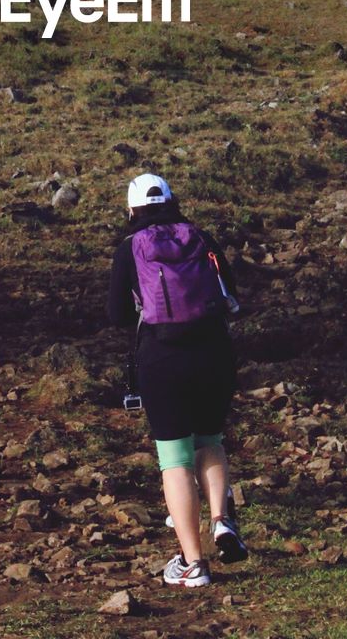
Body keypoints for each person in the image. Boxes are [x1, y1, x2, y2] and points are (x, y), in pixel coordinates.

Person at [108, 173, 248, 587]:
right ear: (172, 201)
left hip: (162, 358)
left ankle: (193, 563)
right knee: (211, 441)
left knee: (174, 460)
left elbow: (116, 315)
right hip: (214, 353)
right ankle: (222, 520)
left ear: (131, 210)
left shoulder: (129, 248)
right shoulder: (201, 237)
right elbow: (231, 293)